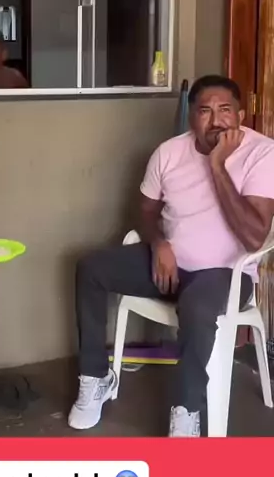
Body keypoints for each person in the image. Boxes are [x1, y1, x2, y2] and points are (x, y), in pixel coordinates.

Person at [69, 75, 274, 437]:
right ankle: (96, 377)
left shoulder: (262, 153)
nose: (216, 120)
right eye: (205, 111)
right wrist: (158, 243)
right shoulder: (168, 152)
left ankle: (186, 408)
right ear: (192, 116)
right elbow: (146, 210)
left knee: (197, 306)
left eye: (225, 110)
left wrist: (217, 166)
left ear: (240, 115)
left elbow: (254, 236)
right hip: (167, 265)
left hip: (226, 274)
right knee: (91, 268)